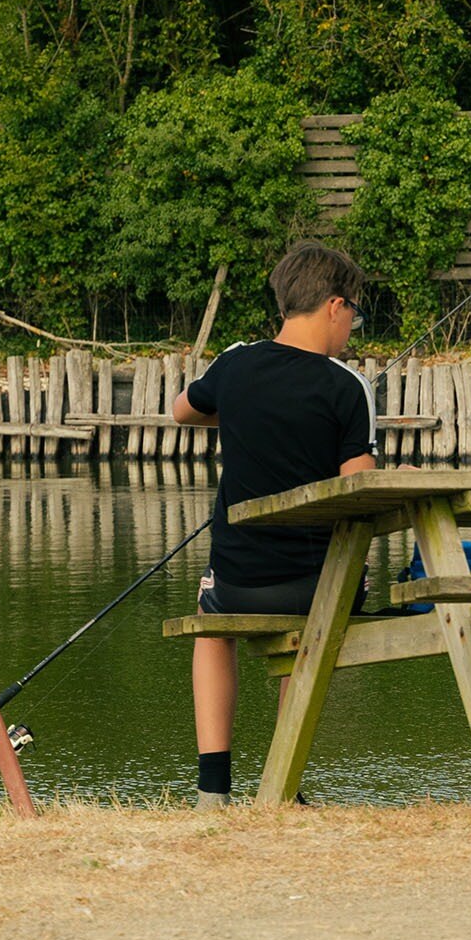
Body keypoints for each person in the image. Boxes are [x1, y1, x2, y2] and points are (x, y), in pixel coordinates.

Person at [169, 243, 377, 807]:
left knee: (211, 620)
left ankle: (213, 789)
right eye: (354, 313)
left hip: (238, 582)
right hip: (322, 588)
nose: (353, 327)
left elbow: (181, 410)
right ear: (335, 305)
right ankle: (283, 784)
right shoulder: (346, 386)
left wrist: (238, 410)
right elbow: (359, 491)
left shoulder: (235, 363)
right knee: (312, 624)